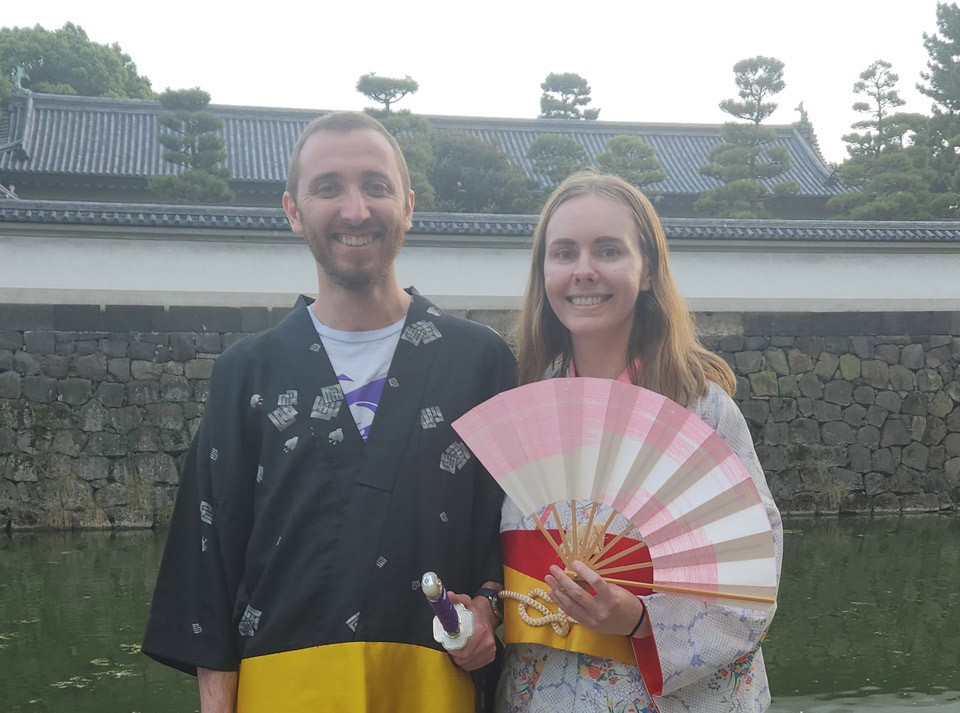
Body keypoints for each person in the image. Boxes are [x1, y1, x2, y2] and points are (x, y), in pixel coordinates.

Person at [142, 111, 515, 713]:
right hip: (283, 689)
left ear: (408, 204)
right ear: (292, 209)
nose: (356, 209)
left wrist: (489, 607)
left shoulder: (479, 363)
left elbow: (512, 531)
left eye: (375, 185)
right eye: (328, 187)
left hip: (431, 687)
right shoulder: (249, 373)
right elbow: (208, 561)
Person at [497, 170, 783, 712]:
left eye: (607, 250)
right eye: (563, 253)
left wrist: (635, 616)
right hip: (547, 688)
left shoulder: (702, 410)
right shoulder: (524, 409)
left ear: (647, 269)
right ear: (543, 273)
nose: (583, 271)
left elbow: (753, 572)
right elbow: (502, 566)